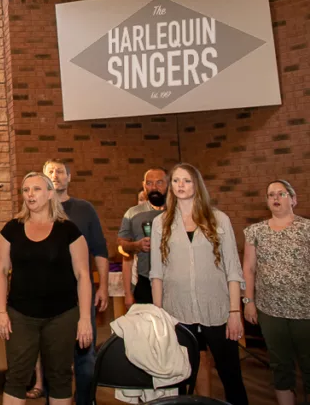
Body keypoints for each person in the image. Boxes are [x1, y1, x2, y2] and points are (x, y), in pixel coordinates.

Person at [150, 163, 247, 405]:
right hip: (178, 312)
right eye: (176, 181)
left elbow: (233, 270)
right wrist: (160, 315)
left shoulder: (218, 219)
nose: (180, 185)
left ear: (197, 185)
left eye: (187, 180)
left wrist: (235, 312)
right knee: (183, 378)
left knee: (231, 374)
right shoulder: (161, 223)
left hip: (218, 310)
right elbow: (157, 273)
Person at [0, 172, 92, 405]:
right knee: (17, 377)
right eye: (26, 190)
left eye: (36, 189)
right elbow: (0, 271)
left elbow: (84, 275)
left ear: (50, 194)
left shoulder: (69, 230)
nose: (30, 194)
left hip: (63, 315)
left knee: (60, 377)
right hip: (20, 315)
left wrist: (85, 318)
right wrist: (0, 311)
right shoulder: (11, 229)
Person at [43, 159, 108, 405]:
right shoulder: (38, 209)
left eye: (60, 172)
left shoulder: (85, 209)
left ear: (69, 178)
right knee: (53, 357)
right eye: (51, 172)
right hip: (48, 297)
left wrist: (102, 286)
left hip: (82, 294)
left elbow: (99, 249)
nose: (56, 175)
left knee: (84, 355)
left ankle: (85, 401)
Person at [242, 179, 310, 405]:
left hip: (305, 311)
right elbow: (249, 269)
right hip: (270, 311)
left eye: (281, 194)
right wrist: (248, 301)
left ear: (293, 199)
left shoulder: (307, 229)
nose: (275, 198)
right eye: (271, 194)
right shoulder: (255, 231)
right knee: (280, 366)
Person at [117, 168, 168, 308]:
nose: (154, 187)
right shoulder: (133, 213)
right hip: (145, 280)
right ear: (144, 185)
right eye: (150, 183)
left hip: (174, 280)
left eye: (159, 183)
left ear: (168, 184)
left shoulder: (179, 211)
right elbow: (122, 245)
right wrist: (136, 246)